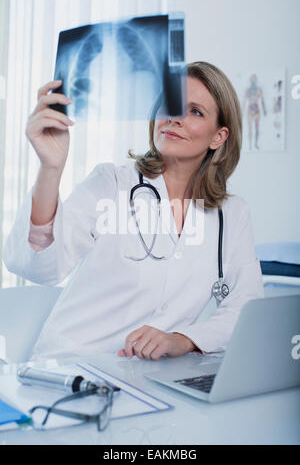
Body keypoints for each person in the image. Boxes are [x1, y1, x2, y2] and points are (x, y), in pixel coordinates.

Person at [3, 61, 264, 362]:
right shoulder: (111, 184)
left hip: (153, 378)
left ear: (219, 137)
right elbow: (37, 267)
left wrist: (185, 340)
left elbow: (246, 305)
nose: (175, 117)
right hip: (71, 370)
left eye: (195, 111)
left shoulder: (231, 214)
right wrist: (51, 167)